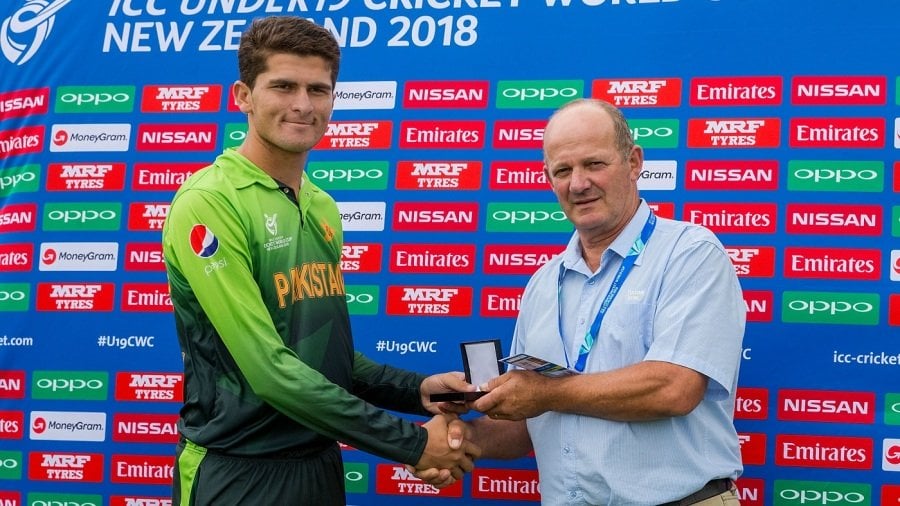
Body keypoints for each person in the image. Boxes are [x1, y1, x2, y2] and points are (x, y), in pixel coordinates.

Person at [161, 16, 479, 505]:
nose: (303, 105)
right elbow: (268, 369)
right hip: (239, 472)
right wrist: (414, 443)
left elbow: (318, 352)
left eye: (318, 89)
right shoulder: (209, 202)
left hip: (319, 466)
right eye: (283, 86)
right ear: (243, 96)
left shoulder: (321, 205)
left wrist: (417, 390)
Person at [423, 98, 746, 505]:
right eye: (563, 170)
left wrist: (544, 393)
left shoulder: (689, 253)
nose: (578, 183)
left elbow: (674, 388)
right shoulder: (543, 283)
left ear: (633, 162)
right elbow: (531, 424)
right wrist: (461, 438)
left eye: (594, 164)